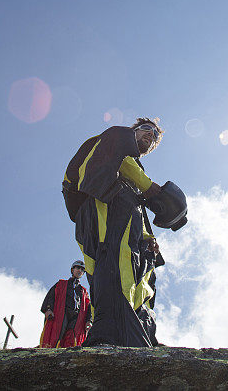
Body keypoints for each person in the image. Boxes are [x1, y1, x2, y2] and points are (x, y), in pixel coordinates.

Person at [62, 117, 182, 347]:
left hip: (123, 209)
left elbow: (139, 205)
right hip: (104, 202)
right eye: (147, 130)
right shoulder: (116, 138)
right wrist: (153, 189)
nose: (151, 136)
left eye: (155, 137)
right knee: (114, 262)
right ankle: (111, 332)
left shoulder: (134, 169)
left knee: (139, 272)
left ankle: (141, 330)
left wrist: (148, 237)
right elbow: (123, 164)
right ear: (133, 130)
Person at [38, 260, 92, 348]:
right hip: (62, 312)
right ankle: (52, 351)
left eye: (82, 270)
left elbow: (88, 307)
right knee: (57, 332)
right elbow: (51, 296)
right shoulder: (61, 284)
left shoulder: (83, 291)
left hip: (77, 316)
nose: (80, 271)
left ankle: (68, 354)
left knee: (72, 336)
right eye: (78, 268)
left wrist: (89, 321)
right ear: (72, 270)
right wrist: (48, 309)